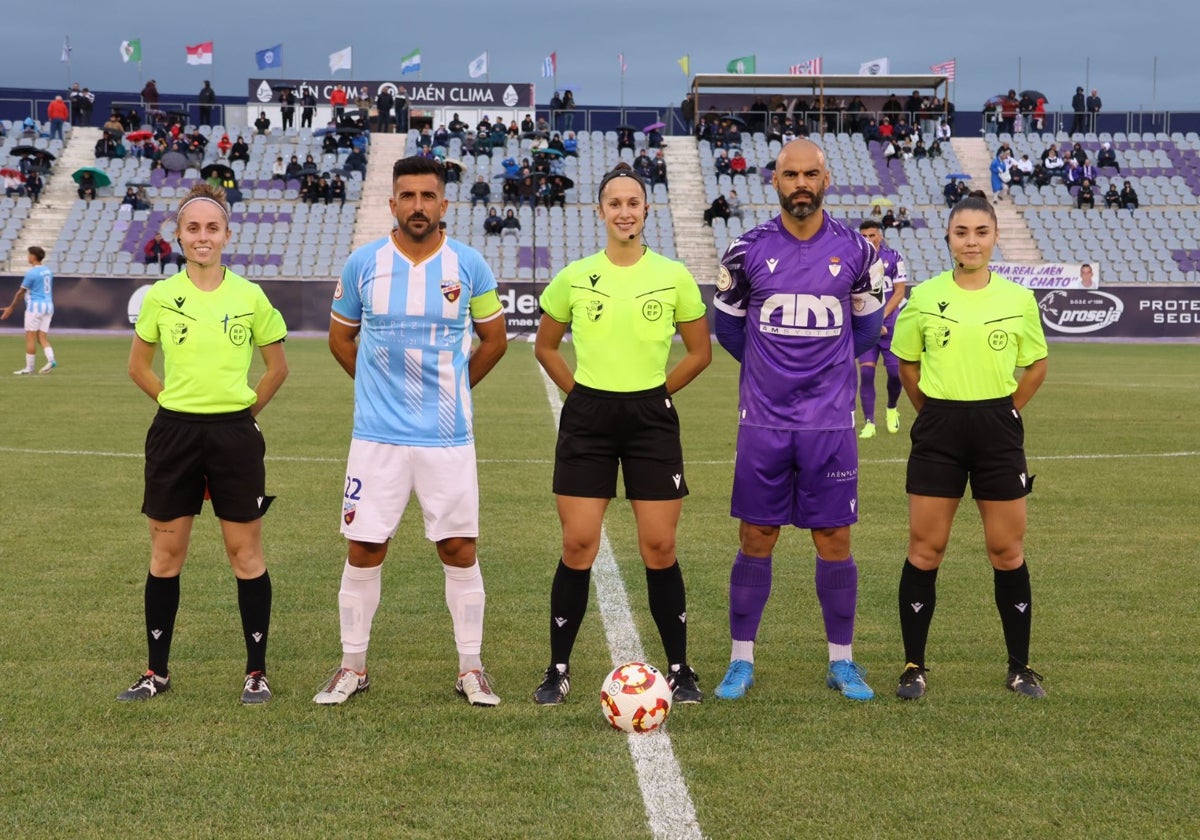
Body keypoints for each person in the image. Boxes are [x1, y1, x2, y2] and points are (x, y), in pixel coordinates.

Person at [314, 157, 508, 708]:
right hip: (377, 437)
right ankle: (352, 666)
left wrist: (454, 393)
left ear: (445, 204)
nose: (418, 205)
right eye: (408, 196)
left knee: (459, 547)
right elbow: (340, 339)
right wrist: (378, 390)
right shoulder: (363, 263)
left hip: (446, 438)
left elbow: (493, 340)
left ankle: (470, 668)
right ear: (392, 203)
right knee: (364, 546)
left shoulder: (468, 264)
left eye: (429, 196)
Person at [711, 138, 885, 702]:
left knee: (834, 537)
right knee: (756, 535)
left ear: (826, 178)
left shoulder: (859, 251)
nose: (801, 183)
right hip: (763, 420)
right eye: (791, 174)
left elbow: (865, 331)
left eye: (811, 173)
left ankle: (843, 661)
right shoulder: (746, 250)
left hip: (829, 423)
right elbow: (730, 330)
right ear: (775, 180)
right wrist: (770, 371)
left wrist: (824, 374)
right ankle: (741, 661)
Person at [531, 162, 711, 707]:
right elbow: (545, 345)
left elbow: (700, 352)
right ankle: (558, 668)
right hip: (589, 420)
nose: (625, 211)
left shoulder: (673, 275)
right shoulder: (575, 275)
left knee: (659, 546)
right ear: (600, 211)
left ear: (646, 209)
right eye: (615, 203)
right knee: (578, 543)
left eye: (633, 202)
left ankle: (680, 668)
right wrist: (579, 395)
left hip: (651, 421)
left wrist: (659, 391)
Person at [118, 184, 289, 704]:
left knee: (245, 553)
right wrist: (175, 404)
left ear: (227, 235)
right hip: (174, 435)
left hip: (234, 435)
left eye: (211, 228)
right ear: (178, 236)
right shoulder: (161, 297)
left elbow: (277, 368)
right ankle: (155, 672)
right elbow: (138, 367)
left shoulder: (250, 295)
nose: (202, 236)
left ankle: (255, 673)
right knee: (166, 554)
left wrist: (241, 414)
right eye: (192, 227)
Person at [890, 190, 1049, 701]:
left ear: (995, 236)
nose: (972, 241)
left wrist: (1008, 410)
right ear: (948, 238)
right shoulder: (924, 297)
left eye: (981, 232)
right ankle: (913, 666)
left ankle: (1020, 667)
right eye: (962, 232)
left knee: (1006, 550)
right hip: (939, 429)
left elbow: (1036, 363)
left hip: (997, 431)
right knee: (925, 548)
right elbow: (907, 364)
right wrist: (931, 413)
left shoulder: (1017, 299)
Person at [856, 220, 909, 440]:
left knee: (895, 374)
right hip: (868, 327)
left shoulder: (894, 258)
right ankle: (869, 422)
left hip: (890, 326)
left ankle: (891, 408)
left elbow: (899, 292)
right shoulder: (856, 260)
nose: (868, 240)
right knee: (866, 373)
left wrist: (881, 317)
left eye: (872, 235)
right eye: (864, 236)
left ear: (881, 236)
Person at [2, 246, 58, 375]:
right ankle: (51, 360)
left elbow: (20, 293)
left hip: (35, 307)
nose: (27, 257)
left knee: (30, 337)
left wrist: (11, 307)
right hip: (49, 306)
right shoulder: (48, 271)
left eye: (28, 254)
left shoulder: (31, 273)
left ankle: (29, 368)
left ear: (33, 256)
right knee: (42, 337)